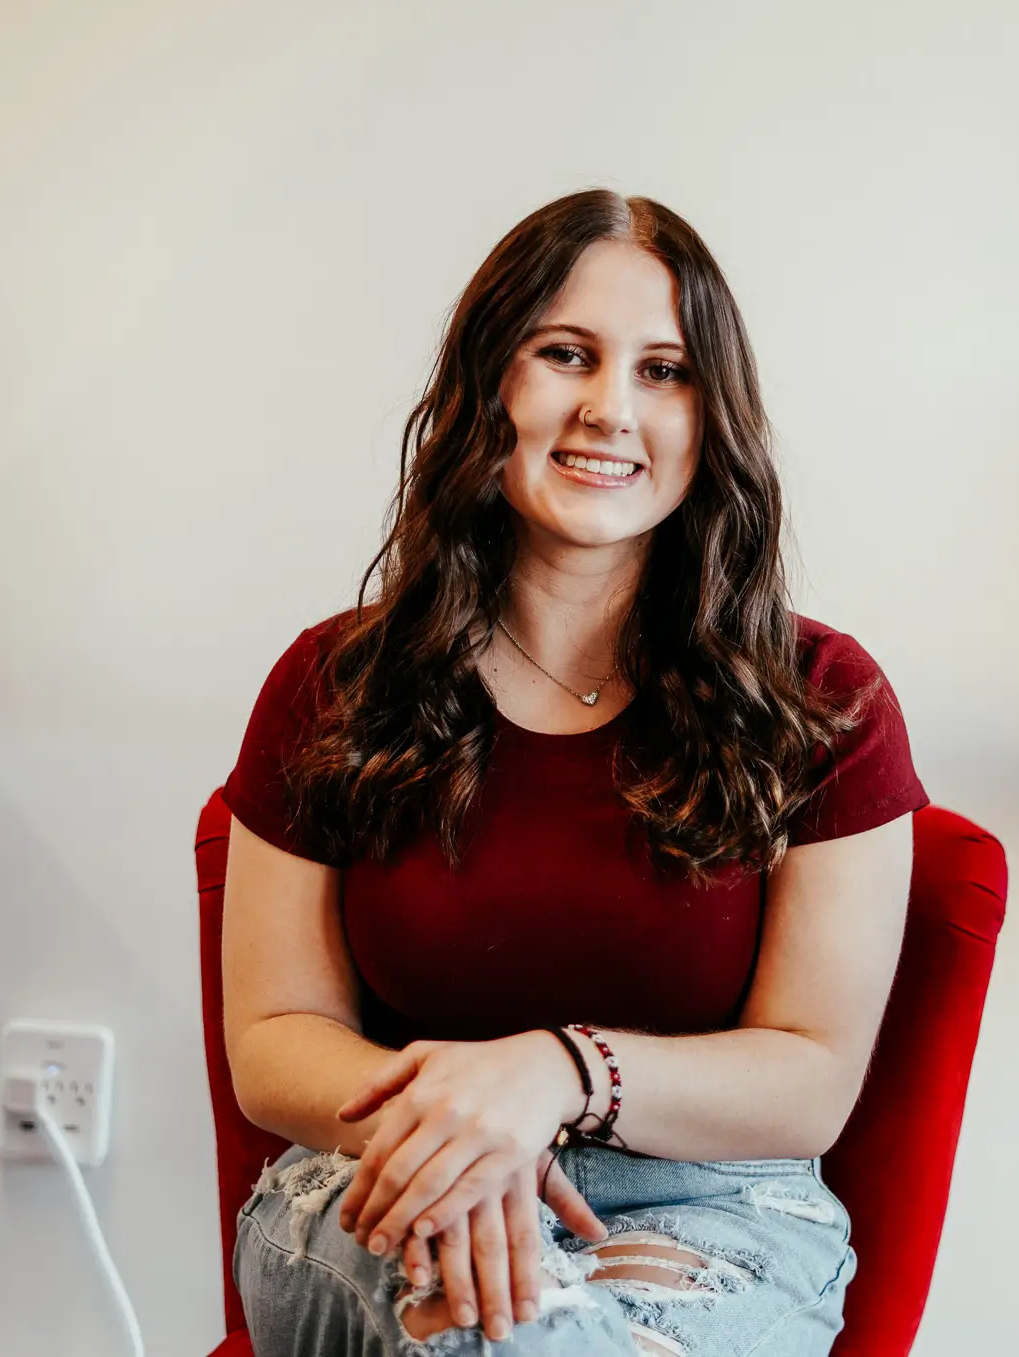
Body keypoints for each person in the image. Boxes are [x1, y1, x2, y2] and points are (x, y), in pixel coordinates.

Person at [222, 189, 925, 1356]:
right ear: (488, 381)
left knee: (530, 1341)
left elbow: (809, 1078)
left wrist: (555, 1076)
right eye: (565, 354)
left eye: (664, 370)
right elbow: (273, 1037)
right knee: (485, 1321)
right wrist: (456, 1136)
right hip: (378, 1176)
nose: (609, 408)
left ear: (711, 418)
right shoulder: (331, 683)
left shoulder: (821, 699)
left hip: (717, 1205)